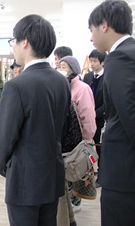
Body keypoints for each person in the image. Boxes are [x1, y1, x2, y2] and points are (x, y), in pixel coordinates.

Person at [0, 14, 70, 225]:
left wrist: (3, 166)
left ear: (24, 42)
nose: (13, 47)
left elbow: (4, 137)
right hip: (52, 172)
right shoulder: (61, 81)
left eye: (13, 41)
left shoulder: (17, 85)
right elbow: (62, 128)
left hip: (24, 179)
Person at [89, 0, 135, 226]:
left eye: (92, 30)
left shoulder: (120, 57)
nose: (91, 37)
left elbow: (128, 112)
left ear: (104, 25)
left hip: (123, 170)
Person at [56, 55, 96, 226]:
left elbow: (87, 116)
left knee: (75, 177)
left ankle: (73, 208)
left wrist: (87, 141)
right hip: (63, 143)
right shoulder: (60, 86)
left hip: (77, 143)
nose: (61, 69)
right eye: (59, 65)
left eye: (64, 66)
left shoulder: (82, 88)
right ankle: (70, 217)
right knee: (63, 183)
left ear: (73, 69)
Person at [83, 49, 107, 188]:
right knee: (86, 146)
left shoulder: (108, 77)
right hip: (87, 117)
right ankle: (87, 172)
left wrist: (96, 113)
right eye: (90, 60)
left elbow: (107, 101)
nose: (91, 64)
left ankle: (101, 175)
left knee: (99, 147)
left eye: (94, 61)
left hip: (99, 117)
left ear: (102, 62)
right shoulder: (87, 77)